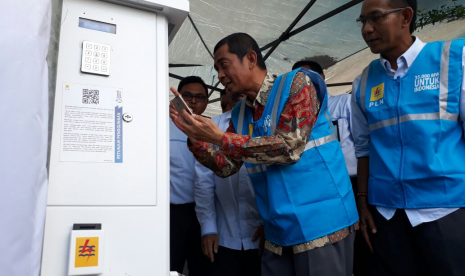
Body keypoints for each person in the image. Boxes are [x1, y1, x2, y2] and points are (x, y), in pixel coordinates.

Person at [170, 32, 358, 276]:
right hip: (277, 230)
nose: (220, 76)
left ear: (250, 58)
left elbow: (289, 147)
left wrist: (218, 138)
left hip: (322, 225)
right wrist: (195, 137)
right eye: (217, 68)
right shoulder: (239, 115)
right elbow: (226, 167)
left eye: (224, 65)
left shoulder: (296, 84)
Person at [351, 0, 465, 275]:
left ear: (405, 16)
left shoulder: (453, 60)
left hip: (444, 211)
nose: (367, 29)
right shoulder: (364, 81)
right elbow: (363, 148)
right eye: (362, 21)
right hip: (387, 217)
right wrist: (363, 203)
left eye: (375, 18)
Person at [292, 60, 371, 276]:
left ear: (322, 79)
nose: (303, 85)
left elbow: (363, 144)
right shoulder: (296, 119)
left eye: (308, 78)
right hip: (319, 189)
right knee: (333, 250)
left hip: (352, 185)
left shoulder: (343, 104)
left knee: (362, 245)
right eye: (297, 82)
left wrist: (363, 192)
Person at [195, 88, 262, 276]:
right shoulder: (212, 126)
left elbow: (276, 177)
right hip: (223, 236)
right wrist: (208, 229)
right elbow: (203, 182)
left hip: (263, 232)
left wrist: (270, 222)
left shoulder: (266, 123)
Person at [169, 76, 210, 275]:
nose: (193, 101)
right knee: (170, 265)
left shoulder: (213, 130)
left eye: (199, 97)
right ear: (177, 97)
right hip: (173, 214)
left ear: (206, 102)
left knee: (202, 267)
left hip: (206, 214)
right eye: (187, 96)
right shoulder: (161, 127)